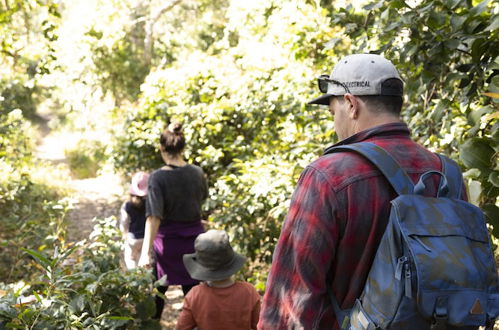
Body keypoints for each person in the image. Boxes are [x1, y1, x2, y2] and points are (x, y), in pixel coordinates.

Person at [258, 53, 467, 329]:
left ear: (351, 104)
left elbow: (291, 300)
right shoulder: (447, 174)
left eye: (334, 113)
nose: (335, 125)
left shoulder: (327, 176)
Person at [138, 122, 208, 320]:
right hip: (193, 241)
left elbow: (153, 217)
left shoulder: (158, 177)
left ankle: (152, 325)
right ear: (182, 147)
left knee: (156, 296)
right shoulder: (197, 172)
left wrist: (145, 253)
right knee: (194, 294)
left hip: (166, 245)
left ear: (162, 148)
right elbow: (202, 198)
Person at [176, 229, 261, 330]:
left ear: (201, 266)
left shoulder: (195, 295)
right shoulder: (249, 292)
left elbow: (182, 327)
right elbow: (260, 325)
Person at [119, 171, 149, 269]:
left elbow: (124, 224)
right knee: (144, 263)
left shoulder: (127, 205)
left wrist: (124, 233)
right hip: (146, 239)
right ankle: (145, 281)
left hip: (132, 239)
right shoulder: (150, 204)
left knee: (131, 259)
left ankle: (134, 280)